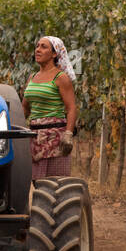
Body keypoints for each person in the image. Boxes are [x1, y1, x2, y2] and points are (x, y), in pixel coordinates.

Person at [22, 35, 78, 179]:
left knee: (56, 183)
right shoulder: (32, 78)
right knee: (37, 181)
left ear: (54, 54)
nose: (38, 50)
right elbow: (25, 109)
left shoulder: (60, 78)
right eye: (37, 46)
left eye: (43, 47)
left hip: (55, 138)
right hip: (35, 137)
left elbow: (71, 108)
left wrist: (68, 135)